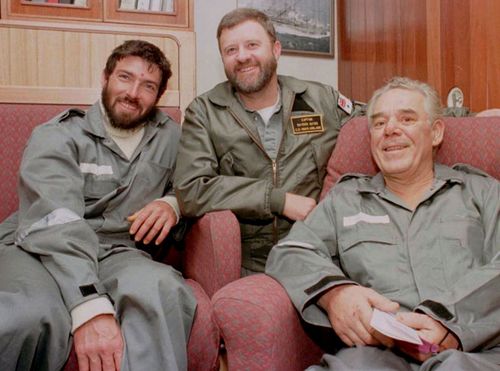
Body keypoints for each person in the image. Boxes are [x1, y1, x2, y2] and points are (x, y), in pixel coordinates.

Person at [266, 77, 500, 370]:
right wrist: (335, 294)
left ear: (436, 132)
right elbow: (291, 251)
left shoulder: (483, 192)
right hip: (377, 354)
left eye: (407, 118)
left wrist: (450, 323)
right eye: (378, 123)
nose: (390, 130)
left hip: (476, 352)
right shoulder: (346, 198)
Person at [0, 40, 196, 371]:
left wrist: (173, 202)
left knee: (162, 290)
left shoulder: (172, 137)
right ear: (104, 78)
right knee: (28, 315)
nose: (134, 92)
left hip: (119, 252)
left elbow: (201, 184)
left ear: (159, 96)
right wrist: (89, 303)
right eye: (124, 77)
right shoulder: (57, 135)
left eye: (148, 86)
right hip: (39, 248)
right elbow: (53, 220)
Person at [174, 8, 360, 274]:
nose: (242, 57)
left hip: (319, 253)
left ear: (276, 49)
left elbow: (376, 117)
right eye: (231, 50)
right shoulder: (204, 112)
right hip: (250, 262)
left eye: (252, 45)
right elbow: (191, 189)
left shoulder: (321, 99)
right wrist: (278, 200)